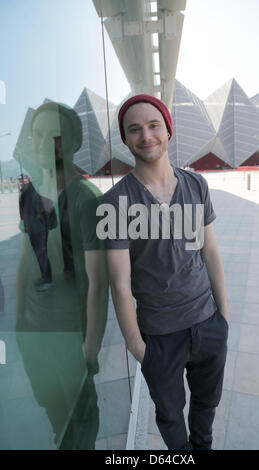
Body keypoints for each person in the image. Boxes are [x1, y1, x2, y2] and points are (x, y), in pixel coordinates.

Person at [101, 94, 229, 451]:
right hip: (160, 337)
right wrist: (137, 346)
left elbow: (211, 252)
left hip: (207, 326)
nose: (146, 136)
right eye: (135, 129)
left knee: (206, 406)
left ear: (168, 130)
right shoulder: (114, 204)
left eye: (154, 125)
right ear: (126, 140)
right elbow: (119, 284)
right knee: (171, 417)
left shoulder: (196, 185)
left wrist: (224, 318)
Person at [15, 102, 109, 449]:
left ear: (71, 142)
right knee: (55, 412)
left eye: (54, 136)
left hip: (71, 333)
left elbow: (98, 284)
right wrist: (19, 324)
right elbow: (25, 262)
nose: (43, 143)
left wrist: (90, 346)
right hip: (35, 331)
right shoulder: (27, 195)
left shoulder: (87, 198)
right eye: (37, 135)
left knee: (82, 418)